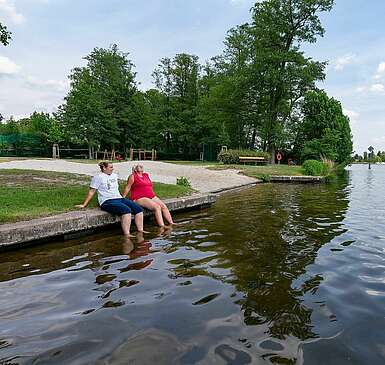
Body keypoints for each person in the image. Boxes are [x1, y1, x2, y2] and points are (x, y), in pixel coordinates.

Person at [75, 161, 145, 236]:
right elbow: (92, 191)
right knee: (126, 210)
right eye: (110, 167)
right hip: (107, 201)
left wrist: (123, 198)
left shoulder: (114, 175)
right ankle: (127, 234)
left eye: (112, 167)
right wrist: (84, 204)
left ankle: (140, 231)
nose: (112, 169)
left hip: (119, 198)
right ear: (104, 168)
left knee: (138, 209)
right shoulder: (98, 177)